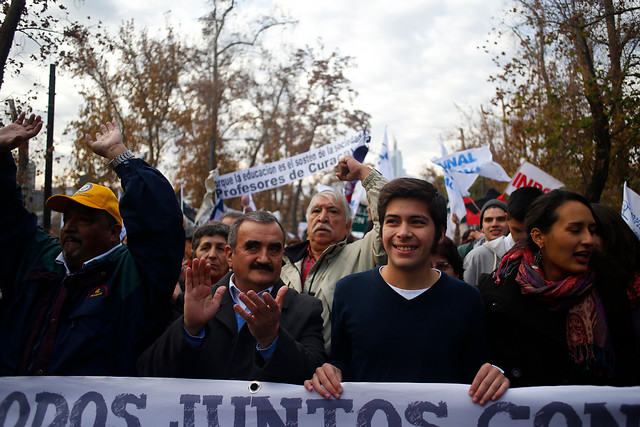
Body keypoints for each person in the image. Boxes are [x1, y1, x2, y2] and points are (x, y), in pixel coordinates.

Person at [0, 115, 184, 376]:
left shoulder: (132, 275)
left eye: (85, 220)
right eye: (68, 218)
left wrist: (120, 156)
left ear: (114, 232)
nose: (70, 226)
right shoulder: (37, 259)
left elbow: (160, 223)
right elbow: (6, 217)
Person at [305, 178, 509, 405]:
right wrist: (329, 372)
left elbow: (476, 373)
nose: (403, 232)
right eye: (392, 221)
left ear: (440, 233)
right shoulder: (348, 291)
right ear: (381, 229)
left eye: (417, 222)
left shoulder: (467, 299)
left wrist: (494, 376)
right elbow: (341, 362)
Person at [138, 211, 327, 384]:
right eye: (252, 247)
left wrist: (272, 340)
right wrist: (189, 329)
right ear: (230, 255)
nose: (264, 258)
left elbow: (314, 376)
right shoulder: (194, 301)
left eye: (274, 249)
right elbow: (147, 371)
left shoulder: (306, 309)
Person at [479, 190, 640, 387]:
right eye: (575, 230)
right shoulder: (497, 294)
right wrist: (497, 372)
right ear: (539, 237)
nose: (588, 239)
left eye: (592, 229)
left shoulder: (610, 287)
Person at [281, 156, 388, 350]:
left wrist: (365, 174)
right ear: (308, 223)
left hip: (338, 373)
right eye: (316, 211)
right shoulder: (282, 263)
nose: (323, 217)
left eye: (332, 211)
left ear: (348, 226)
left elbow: (388, 219)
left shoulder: (363, 254)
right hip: (286, 369)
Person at [464, 187, 543, 286]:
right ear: (508, 219)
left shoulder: (551, 257)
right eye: (517, 230)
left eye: (531, 233)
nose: (524, 238)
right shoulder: (477, 257)